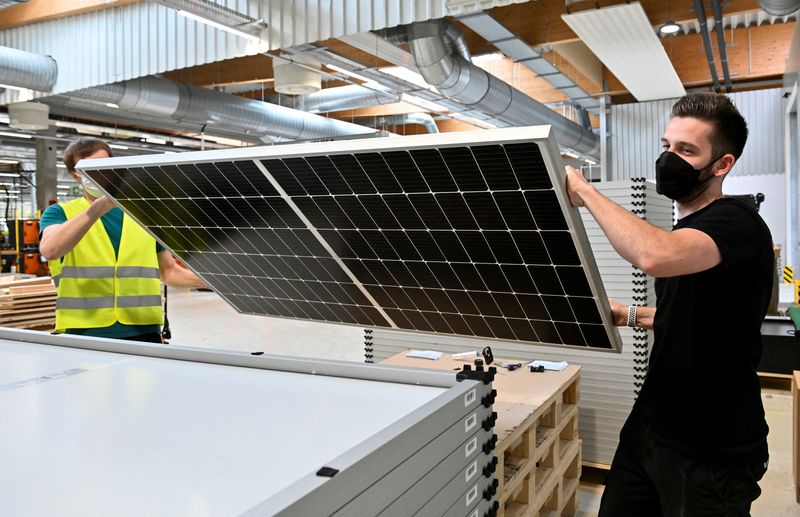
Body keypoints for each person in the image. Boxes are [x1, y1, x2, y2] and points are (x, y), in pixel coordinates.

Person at [566, 93, 772, 515]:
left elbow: (655, 256)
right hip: (652, 424)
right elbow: (703, 318)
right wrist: (630, 315)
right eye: (666, 146)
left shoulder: (737, 222)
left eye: (686, 150)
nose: (669, 158)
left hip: (712, 446)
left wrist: (586, 192)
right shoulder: (690, 227)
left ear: (722, 165)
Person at [40, 138, 205, 343]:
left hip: (145, 330)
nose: (100, 174)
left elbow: (169, 272)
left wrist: (217, 281)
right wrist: (99, 207)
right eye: (89, 169)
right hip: (84, 332)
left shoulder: (146, 214)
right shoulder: (60, 213)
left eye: (104, 166)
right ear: (76, 176)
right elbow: (51, 249)